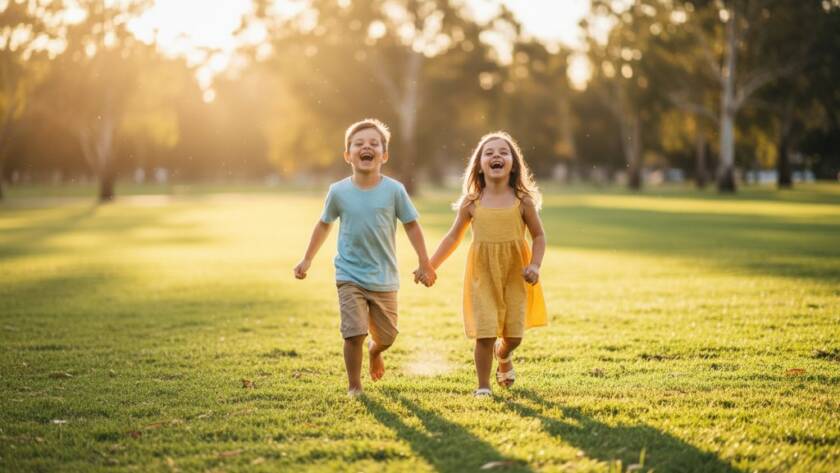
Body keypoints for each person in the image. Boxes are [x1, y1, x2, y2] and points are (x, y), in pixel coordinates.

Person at [294, 118, 436, 397]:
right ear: (348, 155)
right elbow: (324, 224)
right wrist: (307, 259)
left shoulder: (394, 190)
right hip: (349, 275)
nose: (366, 147)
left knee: (387, 336)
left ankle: (376, 351)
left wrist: (424, 261)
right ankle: (354, 386)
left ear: (384, 155)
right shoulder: (338, 191)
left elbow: (411, 225)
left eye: (374, 143)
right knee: (354, 333)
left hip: (384, 277)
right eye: (358, 144)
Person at [418, 131, 547, 396]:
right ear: (479, 165)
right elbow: (453, 237)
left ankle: (504, 354)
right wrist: (430, 265)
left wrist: (534, 265)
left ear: (513, 164)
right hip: (482, 275)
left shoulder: (523, 201)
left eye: (503, 152)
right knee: (485, 333)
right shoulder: (472, 202)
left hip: (515, 274)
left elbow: (539, 236)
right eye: (489, 152)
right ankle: (483, 386)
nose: (496, 155)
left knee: (514, 336)